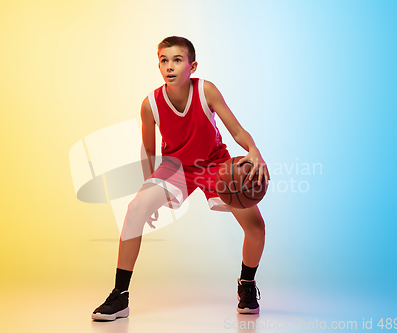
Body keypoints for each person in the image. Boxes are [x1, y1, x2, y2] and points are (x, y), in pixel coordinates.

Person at [92, 36, 270, 321]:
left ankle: (246, 285)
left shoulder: (206, 90)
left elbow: (237, 130)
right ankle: (120, 296)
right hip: (175, 167)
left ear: (192, 65)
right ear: (158, 65)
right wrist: (146, 190)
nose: (169, 66)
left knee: (256, 226)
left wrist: (254, 151)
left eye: (177, 60)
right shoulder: (150, 104)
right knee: (135, 210)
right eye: (164, 60)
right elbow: (149, 151)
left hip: (215, 163)